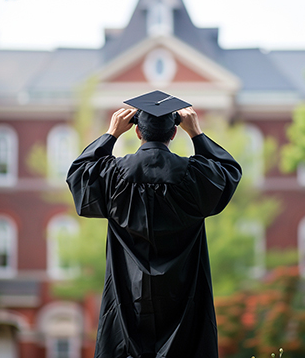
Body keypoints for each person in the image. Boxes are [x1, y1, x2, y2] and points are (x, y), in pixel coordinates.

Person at [66, 93, 242, 358]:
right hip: (184, 307)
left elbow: (79, 175)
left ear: (137, 132)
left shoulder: (115, 176)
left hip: (128, 306)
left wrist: (110, 135)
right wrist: (197, 134)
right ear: (174, 133)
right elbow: (228, 172)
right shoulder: (193, 177)